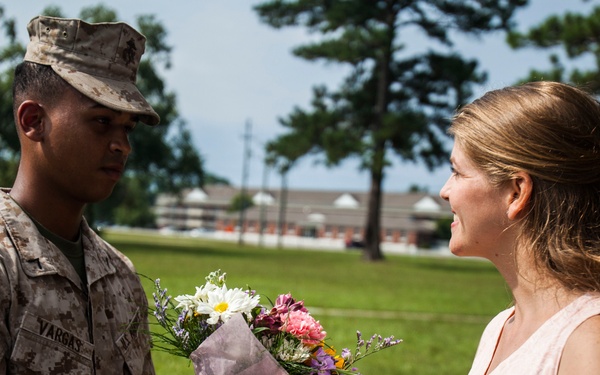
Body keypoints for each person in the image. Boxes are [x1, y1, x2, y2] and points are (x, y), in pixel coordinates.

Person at [0, 15, 160, 374]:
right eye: (102, 121)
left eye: (128, 128)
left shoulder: (120, 276)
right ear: (33, 121)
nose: (123, 146)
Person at [439, 81, 600, 374]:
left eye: (457, 172)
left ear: (516, 193)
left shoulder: (588, 341)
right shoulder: (500, 327)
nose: (445, 191)